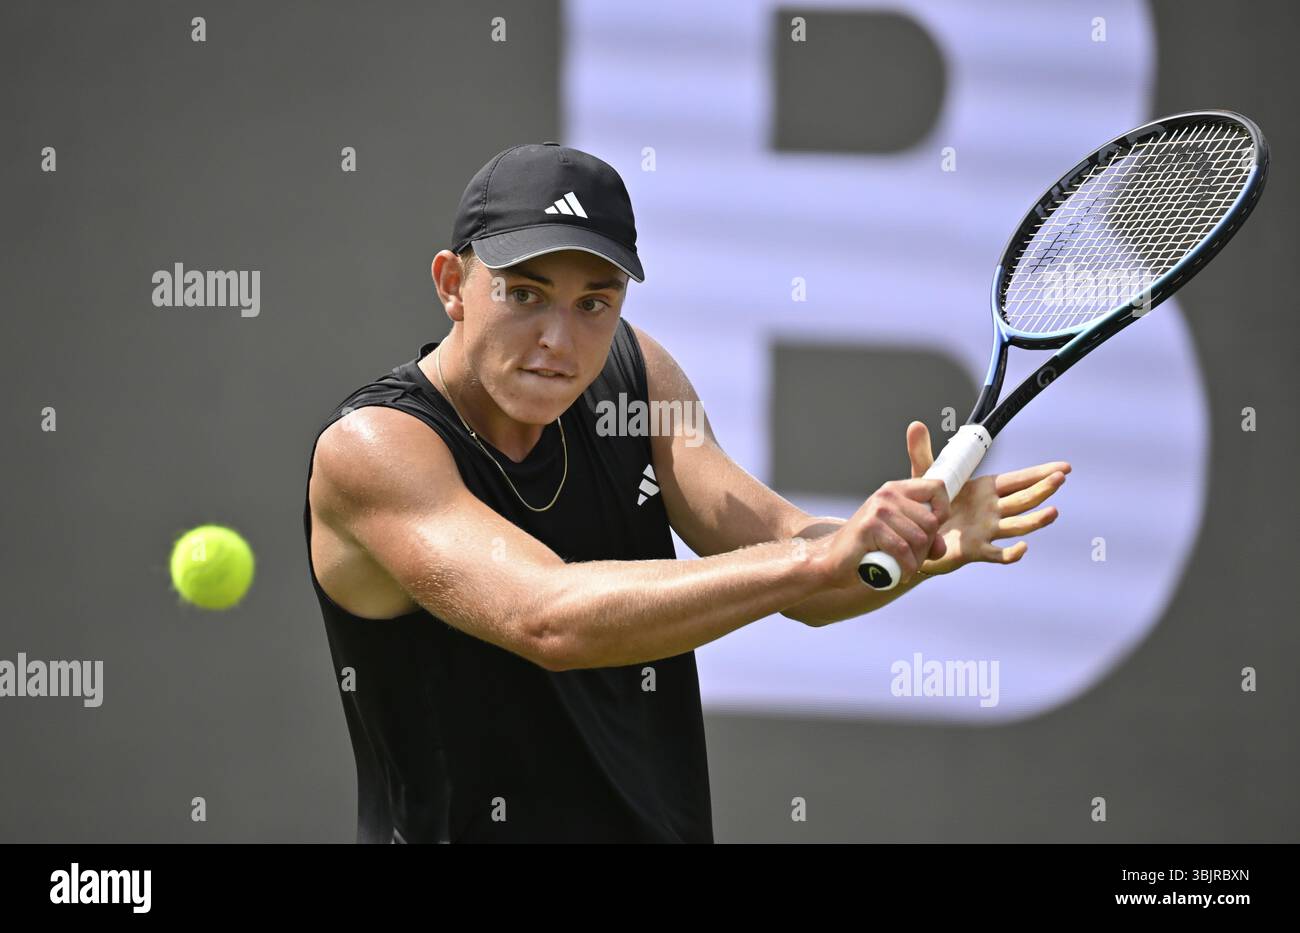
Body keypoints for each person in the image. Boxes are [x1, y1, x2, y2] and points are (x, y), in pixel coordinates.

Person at [302, 142, 1069, 843]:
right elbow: (545, 617)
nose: (559, 341)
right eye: (524, 294)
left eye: (593, 302)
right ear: (453, 285)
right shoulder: (375, 449)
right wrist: (815, 561)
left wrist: (901, 548)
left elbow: (798, 563)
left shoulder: (637, 378)